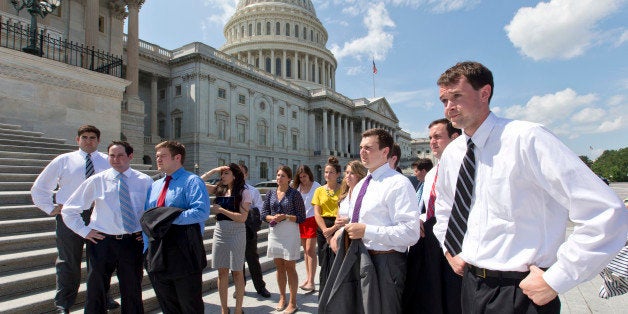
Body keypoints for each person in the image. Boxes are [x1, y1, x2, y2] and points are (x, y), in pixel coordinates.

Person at [433, 61, 627, 313]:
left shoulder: (528, 138)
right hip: (470, 285)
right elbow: (446, 207)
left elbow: (606, 212)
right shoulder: (453, 154)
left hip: (521, 289)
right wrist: (450, 249)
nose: (449, 108)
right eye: (444, 101)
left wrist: (557, 278)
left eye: (457, 96)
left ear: (484, 93)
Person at [30, 125, 118, 313]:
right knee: (68, 260)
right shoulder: (63, 160)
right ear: (77, 140)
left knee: (101, 261)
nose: (88, 141)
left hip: (99, 217)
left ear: (98, 141)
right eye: (84, 137)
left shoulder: (107, 161)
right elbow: (40, 187)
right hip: (70, 216)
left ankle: (104, 296)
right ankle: (64, 302)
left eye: (93, 137)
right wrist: (50, 208)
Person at [332, 128, 421, 313]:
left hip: (386, 262)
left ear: (385, 151)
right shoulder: (362, 184)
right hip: (359, 257)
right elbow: (356, 220)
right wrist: (340, 233)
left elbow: (411, 233)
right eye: (361, 147)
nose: (362, 152)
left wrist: (366, 231)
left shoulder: (398, 184)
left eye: (368, 148)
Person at [61, 141, 152, 313]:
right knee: (96, 289)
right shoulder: (97, 180)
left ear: (130, 156)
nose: (115, 159)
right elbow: (70, 209)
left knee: (132, 289)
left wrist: (146, 232)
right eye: (112, 155)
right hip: (102, 242)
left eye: (120, 155)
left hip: (132, 242)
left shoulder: (144, 181)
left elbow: (151, 210)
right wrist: (85, 231)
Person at [403, 118, 461, 314]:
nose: (432, 142)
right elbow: (427, 207)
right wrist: (419, 218)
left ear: (454, 138)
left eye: (438, 137)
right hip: (430, 241)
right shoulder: (431, 174)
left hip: (455, 241)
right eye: (430, 138)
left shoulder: (465, 169)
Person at [144, 140, 210, 313]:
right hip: (157, 253)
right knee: (168, 306)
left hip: (184, 252)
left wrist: (168, 218)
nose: (158, 159)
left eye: (163, 156)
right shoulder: (154, 185)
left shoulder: (192, 181)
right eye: (157, 156)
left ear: (177, 157)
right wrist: (146, 250)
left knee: (190, 306)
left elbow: (201, 212)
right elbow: (148, 218)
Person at [203, 164, 251, 314]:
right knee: (221, 272)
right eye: (222, 174)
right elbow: (197, 182)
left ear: (234, 176)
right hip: (220, 231)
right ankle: (224, 309)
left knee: (237, 271)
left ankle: (238, 309)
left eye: (226, 173)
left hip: (236, 232)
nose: (222, 176)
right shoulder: (219, 189)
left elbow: (242, 218)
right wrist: (213, 171)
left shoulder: (244, 192)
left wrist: (222, 210)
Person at [261, 166, 306, 314]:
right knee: (279, 266)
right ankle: (282, 297)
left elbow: (301, 217)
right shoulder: (270, 193)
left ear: (289, 179)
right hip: (275, 232)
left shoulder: (295, 194)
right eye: (278, 175)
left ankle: (293, 301)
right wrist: (271, 217)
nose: (279, 178)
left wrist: (285, 216)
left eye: (283, 176)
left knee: (290, 266)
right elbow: (264, 214)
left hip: (290, 231)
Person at [231, 164, 271, 298]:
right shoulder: (229, 190)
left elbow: (259, 208)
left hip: (248, 229)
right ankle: (239, 287)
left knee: (252, 259)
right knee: (237, 261)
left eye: (241, 173)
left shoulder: (253, 191)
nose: (238, 175)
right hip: (232, 229)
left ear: (246, 175)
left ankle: (260, 287)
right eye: (236, 173)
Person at [312, 156, 341, 296]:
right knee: (324, 262)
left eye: (331, 172)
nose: (327, 175)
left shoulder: (343, 190)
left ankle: (337, 294)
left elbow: (343, 211)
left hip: (338, 227)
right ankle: (323, 294)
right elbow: (317, 213)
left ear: (338, 174)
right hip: (323, 227)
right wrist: (325, 230)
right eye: (326, 172)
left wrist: (333, 229)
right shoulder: (319, 190)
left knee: (337, 261)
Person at [293, 165, 321, 292]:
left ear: (309, 174)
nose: (303, 178)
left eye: (305, 176)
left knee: (310, 249)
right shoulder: (297, 188)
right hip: (300, 220)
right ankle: (308, 278)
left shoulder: (317, 186)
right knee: (305, 250)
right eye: (301, 176)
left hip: (312, 219)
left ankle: (311, 281)